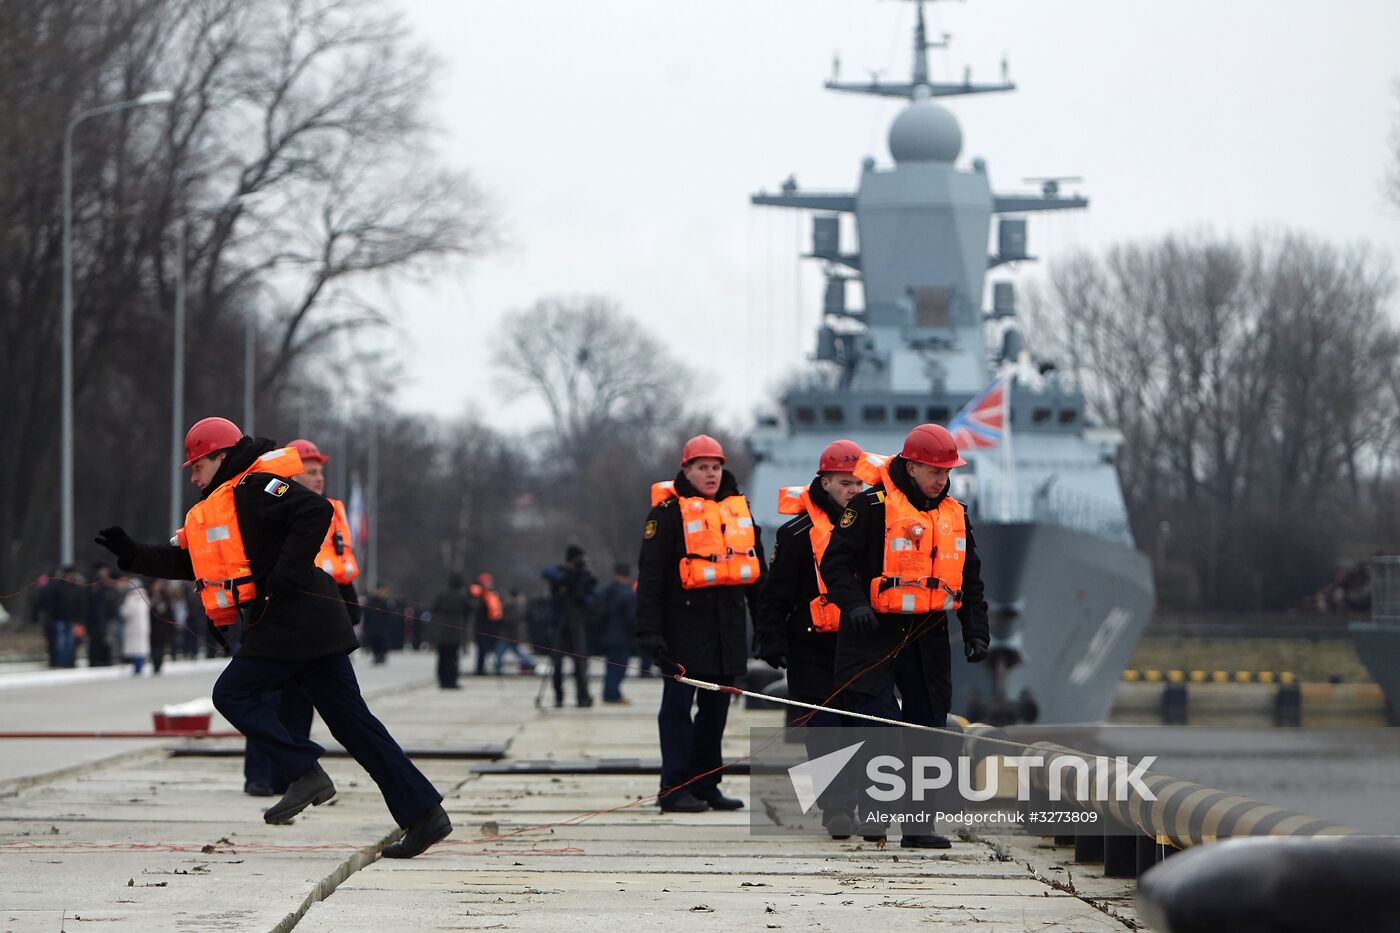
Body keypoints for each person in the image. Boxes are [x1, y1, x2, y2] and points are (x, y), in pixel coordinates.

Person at [96, 416, 450, 858]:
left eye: (197, 463)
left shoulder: (256, 486)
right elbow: (189, 563)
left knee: (233, 694)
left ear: (221, 457)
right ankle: (424, 815)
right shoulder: (224, 505)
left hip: (294, 619)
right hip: (308, 625)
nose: (192, 473)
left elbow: (315, 511)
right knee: (355, 725)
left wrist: (282, 578)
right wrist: (130, 552)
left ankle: (304, 770)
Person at [820, 424, 990, 849]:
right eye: (934, 470)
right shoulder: (869, 507)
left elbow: (970, 582)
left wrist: (976, 631)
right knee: (877, 725)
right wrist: (855, 606)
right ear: (911, 466)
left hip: (928, 634)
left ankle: (919, 826)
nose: (942, 479)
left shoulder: (955, 515)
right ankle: (875, 812)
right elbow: (835, 565)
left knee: (927, 727)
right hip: (873, 632)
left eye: (947, 472)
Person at [636, 434, 766, 813]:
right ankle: (674, 787)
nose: (710, 474)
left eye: (716, 467)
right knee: (677, 710)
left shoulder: (739, 514)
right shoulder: (666, 515)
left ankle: (706, 783)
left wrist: (765, 628)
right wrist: (649, 634)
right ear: (686, 470)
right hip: (681, 632)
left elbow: (758, 578)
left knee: (717, 712)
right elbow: (652, 580)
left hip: (726, 631)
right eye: (702, 467)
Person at [754, 439, 866, 838]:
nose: (853, 491)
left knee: (860, 728)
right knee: (822, 730)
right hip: (810, 645)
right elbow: (775, 595)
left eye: (858, 484)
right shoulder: (797, 534)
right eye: (844, 483)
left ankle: (860, 802)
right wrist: (771, 641)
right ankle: (835, 808)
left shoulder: (876, 527)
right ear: (825, 481)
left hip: (861, 644)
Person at [242, 437, 363, 797]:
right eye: (311, 472)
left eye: (320, 472)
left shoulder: (328, 512)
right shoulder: (278, 509)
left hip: (317, 616)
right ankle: (259, 775)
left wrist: (348, 606)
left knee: (300, 704)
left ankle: (291, 776)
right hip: (280, 613)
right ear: (292, 476)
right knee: (266, 699)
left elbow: (340, 567)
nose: (319, 479)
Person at [542, 545, 596, 708]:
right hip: (560, 621)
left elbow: (593, 598)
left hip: (576, 621)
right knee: (556, 664)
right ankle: (558, 696)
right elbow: (547, 572)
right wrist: (567, 575)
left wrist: (583, 599)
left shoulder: (584, 576)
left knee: (580, 662)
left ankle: (583, 696)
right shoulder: (559, 572)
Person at [596, 562, 637, 705]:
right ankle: (612, 695)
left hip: (607, 635)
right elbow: (631, 618)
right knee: (619, 667)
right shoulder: (627, 594)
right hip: (622, 637)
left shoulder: (606, 590)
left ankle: (610, 692)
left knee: (610, 666)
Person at [428, 573, 470, 689]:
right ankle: (451, 681)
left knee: (442, 657)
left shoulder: (442, 594)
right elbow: (469, 610)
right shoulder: (461, 596)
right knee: (452, 658)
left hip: (441, 629)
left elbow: (434, 608)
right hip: (455, 630)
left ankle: (442, 681)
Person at [114, 571, 151, 675]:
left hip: (133, 628)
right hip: (143, 628)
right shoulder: (145, 598)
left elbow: (125, 612)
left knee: (135, 650)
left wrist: (121, 608)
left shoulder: (131, 599)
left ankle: (137, 668)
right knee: (141, 649)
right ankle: (140, 666)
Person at [491, 589, 536, 675]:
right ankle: (498, 669)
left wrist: (501, 618)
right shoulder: (506, 606)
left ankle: (531, 663)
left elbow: (511, 620)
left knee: (502, 653)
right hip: (506, 635)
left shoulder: (518, 608)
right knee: (504, 653)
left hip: (511, 636)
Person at [469, 573, 503, 676]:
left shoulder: (492, 595)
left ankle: (492, 668)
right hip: (482, 627)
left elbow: (497, 612)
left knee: (491, 648)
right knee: (482, 650)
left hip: (491, 627)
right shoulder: (478, 595)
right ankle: (480, 669)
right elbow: (474, 608)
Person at [364, 583, 398, 665]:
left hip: (384, 626)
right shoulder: (370, 601)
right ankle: (376, 656)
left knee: (383, 642)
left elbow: (391, 614)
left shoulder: (387, 602)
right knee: (374, 642)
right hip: (373, 626)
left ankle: (382, 656)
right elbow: (366, 614)